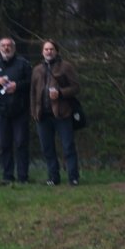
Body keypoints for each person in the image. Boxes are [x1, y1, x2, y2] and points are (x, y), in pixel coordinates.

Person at [30, 39, 81, 186]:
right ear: (42, 52)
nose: (48, 51)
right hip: (43, 115)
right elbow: (32, 93)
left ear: (56, 51)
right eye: (46, 49)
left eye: (51, 49)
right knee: (47, 148)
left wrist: (60, 93)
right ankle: (53, 177)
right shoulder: (37, 70)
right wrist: (34, 111)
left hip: (62, 114)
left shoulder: (65, 67)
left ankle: (73, 177)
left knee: (68, 146)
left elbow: (76, 87)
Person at [0, 37, 32, 183]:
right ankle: (7, 176)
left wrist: (17, 86)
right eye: (3, 45)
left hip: (20, 110)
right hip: (1, 111)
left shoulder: (23, 64)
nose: (6, 48)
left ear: (14, 47)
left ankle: (23, 176)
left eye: (9, 45)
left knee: (21, 144)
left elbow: (31, 83)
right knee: (4, 145)